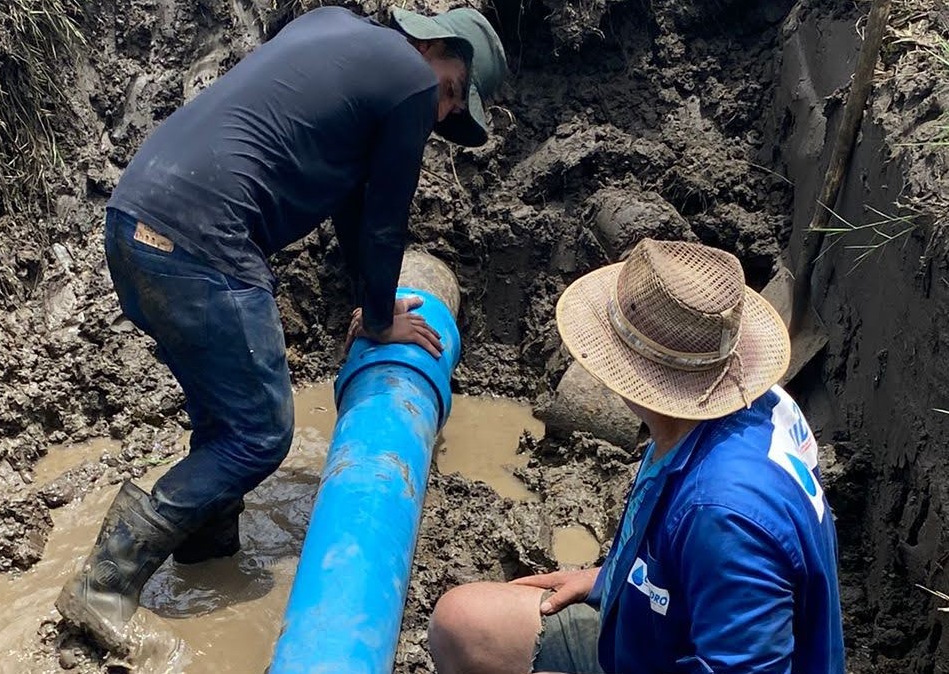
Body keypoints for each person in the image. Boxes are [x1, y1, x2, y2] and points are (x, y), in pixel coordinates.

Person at [55, 4, 509, 653]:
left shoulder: (329, 24)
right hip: (200, 244)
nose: (439, 114)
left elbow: (354, 211)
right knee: (261, 433)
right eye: (450, 93)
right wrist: (381, 321)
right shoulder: (408, 82)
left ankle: (207, 552)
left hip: (132, 223)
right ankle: (104, 581)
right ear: (433, 45)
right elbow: (385, 225)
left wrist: (368, 304)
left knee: (225, 414)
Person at [427, 239, 844, 673]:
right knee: (462, 622)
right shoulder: (752, 404)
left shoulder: (722, 517)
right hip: (661, 633)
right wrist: (617, 577)